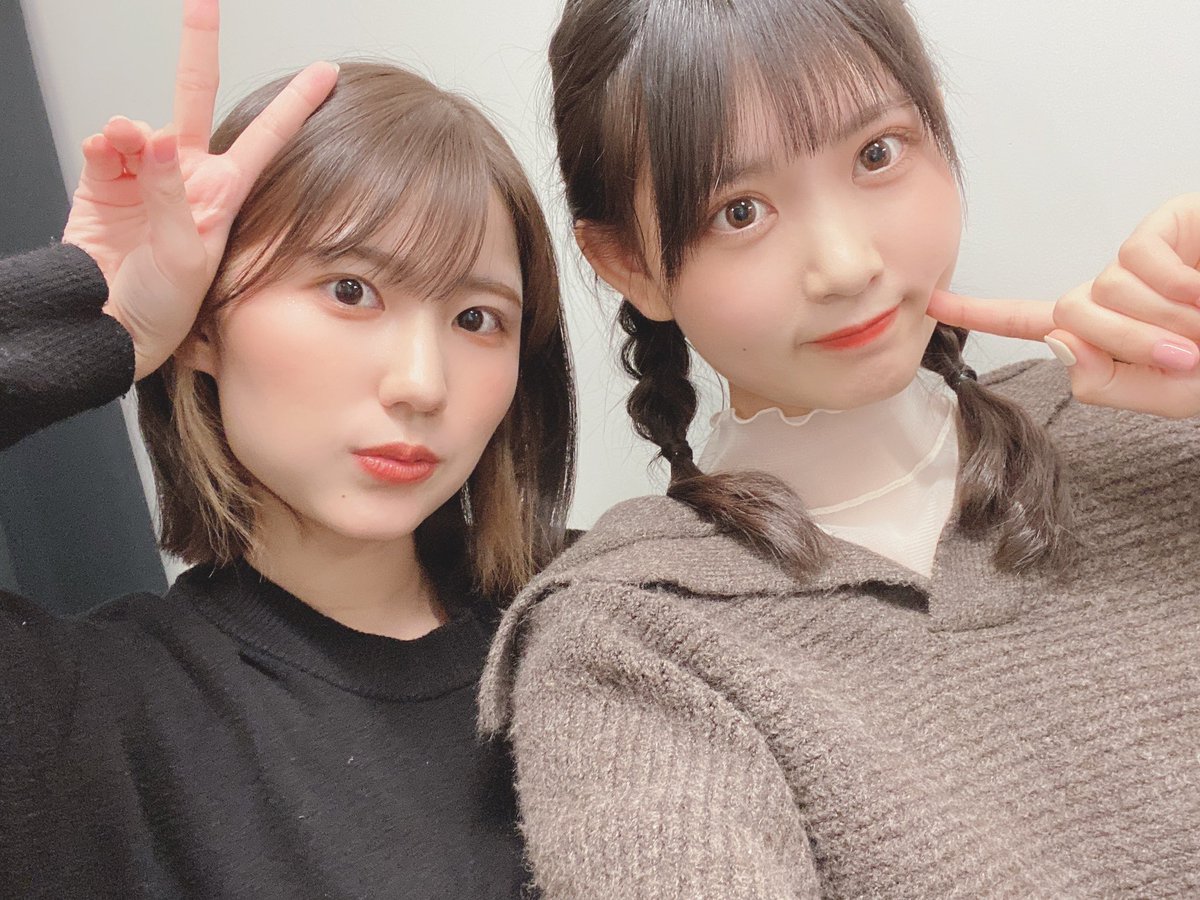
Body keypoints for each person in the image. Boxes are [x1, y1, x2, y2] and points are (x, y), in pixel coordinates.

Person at [479, 0, 1200, 896]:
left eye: (876, 154)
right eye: (740, 210)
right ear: (627, 263)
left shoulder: (1154, 424)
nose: (846, 263)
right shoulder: (632, 638)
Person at [1, 1, 574, 896]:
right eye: (350, 290)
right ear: (202, 325)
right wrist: (90, 317)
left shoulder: (605, 614)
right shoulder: (92, 714)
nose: (421, 383)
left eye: (476, 318)